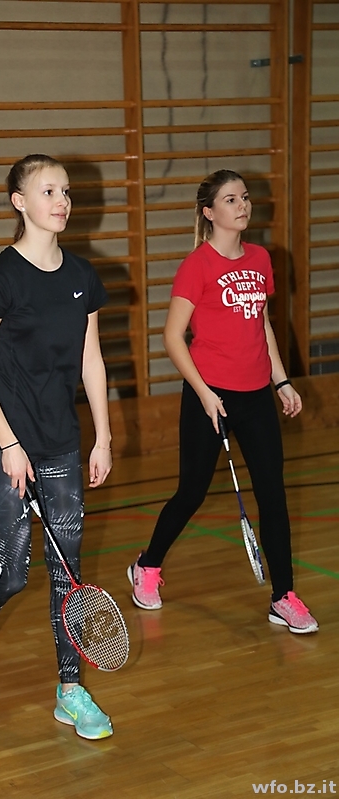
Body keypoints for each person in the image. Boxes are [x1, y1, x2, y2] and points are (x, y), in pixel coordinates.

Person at [0, 154, 114, 740]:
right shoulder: (0, 276)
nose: (62, 201)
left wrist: (103, 436)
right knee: (10, 574)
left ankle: (71, 691)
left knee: (68, 577)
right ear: (20, 202)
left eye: (66, 191)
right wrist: (9, 443)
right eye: (48, 191)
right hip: (6, 445)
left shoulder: (82, 275)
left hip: (62, 444)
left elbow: (91, 360)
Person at [127, 168, 318, 635]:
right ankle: (147, 566)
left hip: (256, 396)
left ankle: (283, 596)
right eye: (231, 199)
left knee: (272, 494)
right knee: (192, 491)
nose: (243, 205)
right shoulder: (198, 265)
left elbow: (261, 323)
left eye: (245, 197)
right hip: (208, 395)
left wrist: (281, 381)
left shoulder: (260, 259)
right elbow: (173, 337)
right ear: (209, 212)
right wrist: (204, 393)